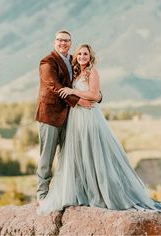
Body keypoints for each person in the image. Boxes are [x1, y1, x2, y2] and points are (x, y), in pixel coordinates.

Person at [37, 44, 161, 220]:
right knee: (78, 154)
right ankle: (81, 191)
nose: (81, 56)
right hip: (75, 118)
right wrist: (78, 98)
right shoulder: (74, 70)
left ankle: (101, 192)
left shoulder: (92, 72)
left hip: (88, 117)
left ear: (90, 56)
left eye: (85, 54)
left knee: (93, 152)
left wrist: (73, 91)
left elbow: (95, 95)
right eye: (79, 53)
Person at [35, 31, 100, 204]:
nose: (63, 43)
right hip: (50, 116)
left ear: (70, 43)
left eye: (66, 40)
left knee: (68, 157)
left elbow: (86, 83)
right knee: (46, 158)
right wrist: (78, 100)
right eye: (59, 40)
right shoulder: (47, 61)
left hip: (70, 118)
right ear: (54, 42)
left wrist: (97, 96)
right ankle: (42, 195)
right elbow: (54, 86)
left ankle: (65, 193)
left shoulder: (73, 60)